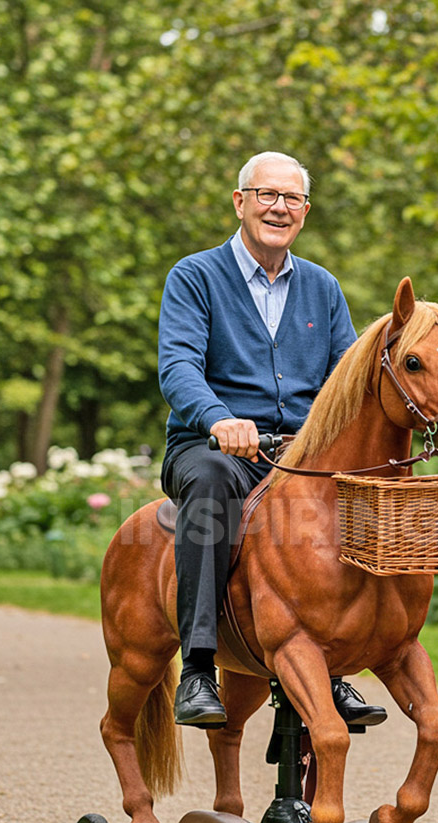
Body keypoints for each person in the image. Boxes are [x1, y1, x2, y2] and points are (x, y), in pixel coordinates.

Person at [158, 151, 386, 729]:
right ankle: (199, 668)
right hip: (214, 448)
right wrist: (217, 419)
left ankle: (332, 668)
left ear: (305, 213)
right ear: (240, 202)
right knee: (210, 485)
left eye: (291, 199)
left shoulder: (323, 287)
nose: (278, 208)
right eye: (267, 195)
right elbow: (177, 366)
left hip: (301, 456)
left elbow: (348, 379)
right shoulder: (195, 275)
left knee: (362, 497)